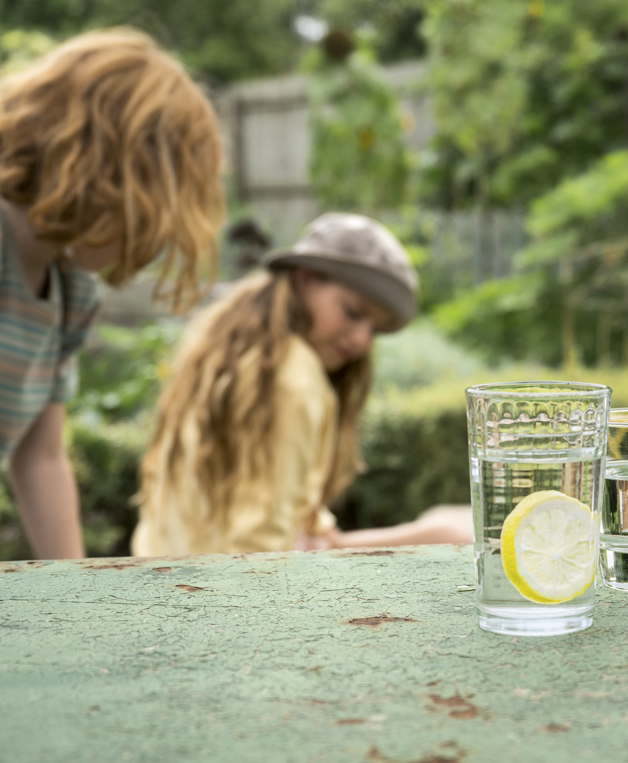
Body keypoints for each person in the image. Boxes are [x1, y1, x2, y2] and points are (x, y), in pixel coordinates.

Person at [0, 29, 225, 616]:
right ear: (103, 170)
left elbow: (42, 458)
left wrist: (78, 601)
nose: (159, 232)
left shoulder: (68, 291)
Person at [133, 213, 473, 558]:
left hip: (162, 574)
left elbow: (289, 512)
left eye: (375, 330)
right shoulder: (294, 382)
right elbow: (259, 549)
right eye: (354, 312)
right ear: (306, 279)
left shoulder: (233, 352)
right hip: (220, 596)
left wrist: (431, 533)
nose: (361, 339)